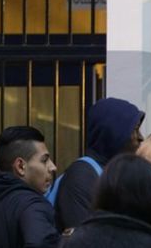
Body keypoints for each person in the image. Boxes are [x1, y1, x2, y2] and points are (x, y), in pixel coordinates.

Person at [53, 97, 144, 231]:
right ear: (113, 132)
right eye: (134, 130)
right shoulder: (82, 175)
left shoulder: (111, 173)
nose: (141, 137)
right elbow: (82, 241)